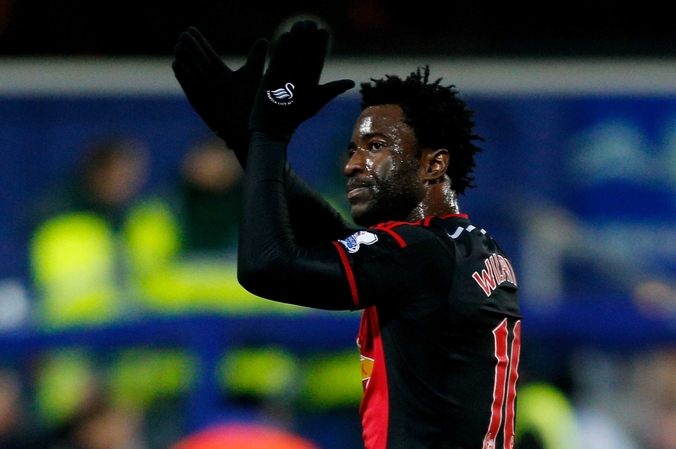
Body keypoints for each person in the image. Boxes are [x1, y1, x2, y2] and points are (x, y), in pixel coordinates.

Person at [172, 19, 522, 449]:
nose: (353, 165)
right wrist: (245, 137)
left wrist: (269, 133)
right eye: (353, 149)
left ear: (433, 164)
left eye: (376, 147)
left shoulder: (419, 253)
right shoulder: (471, 245)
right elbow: (338, 239)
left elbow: (266, 266)